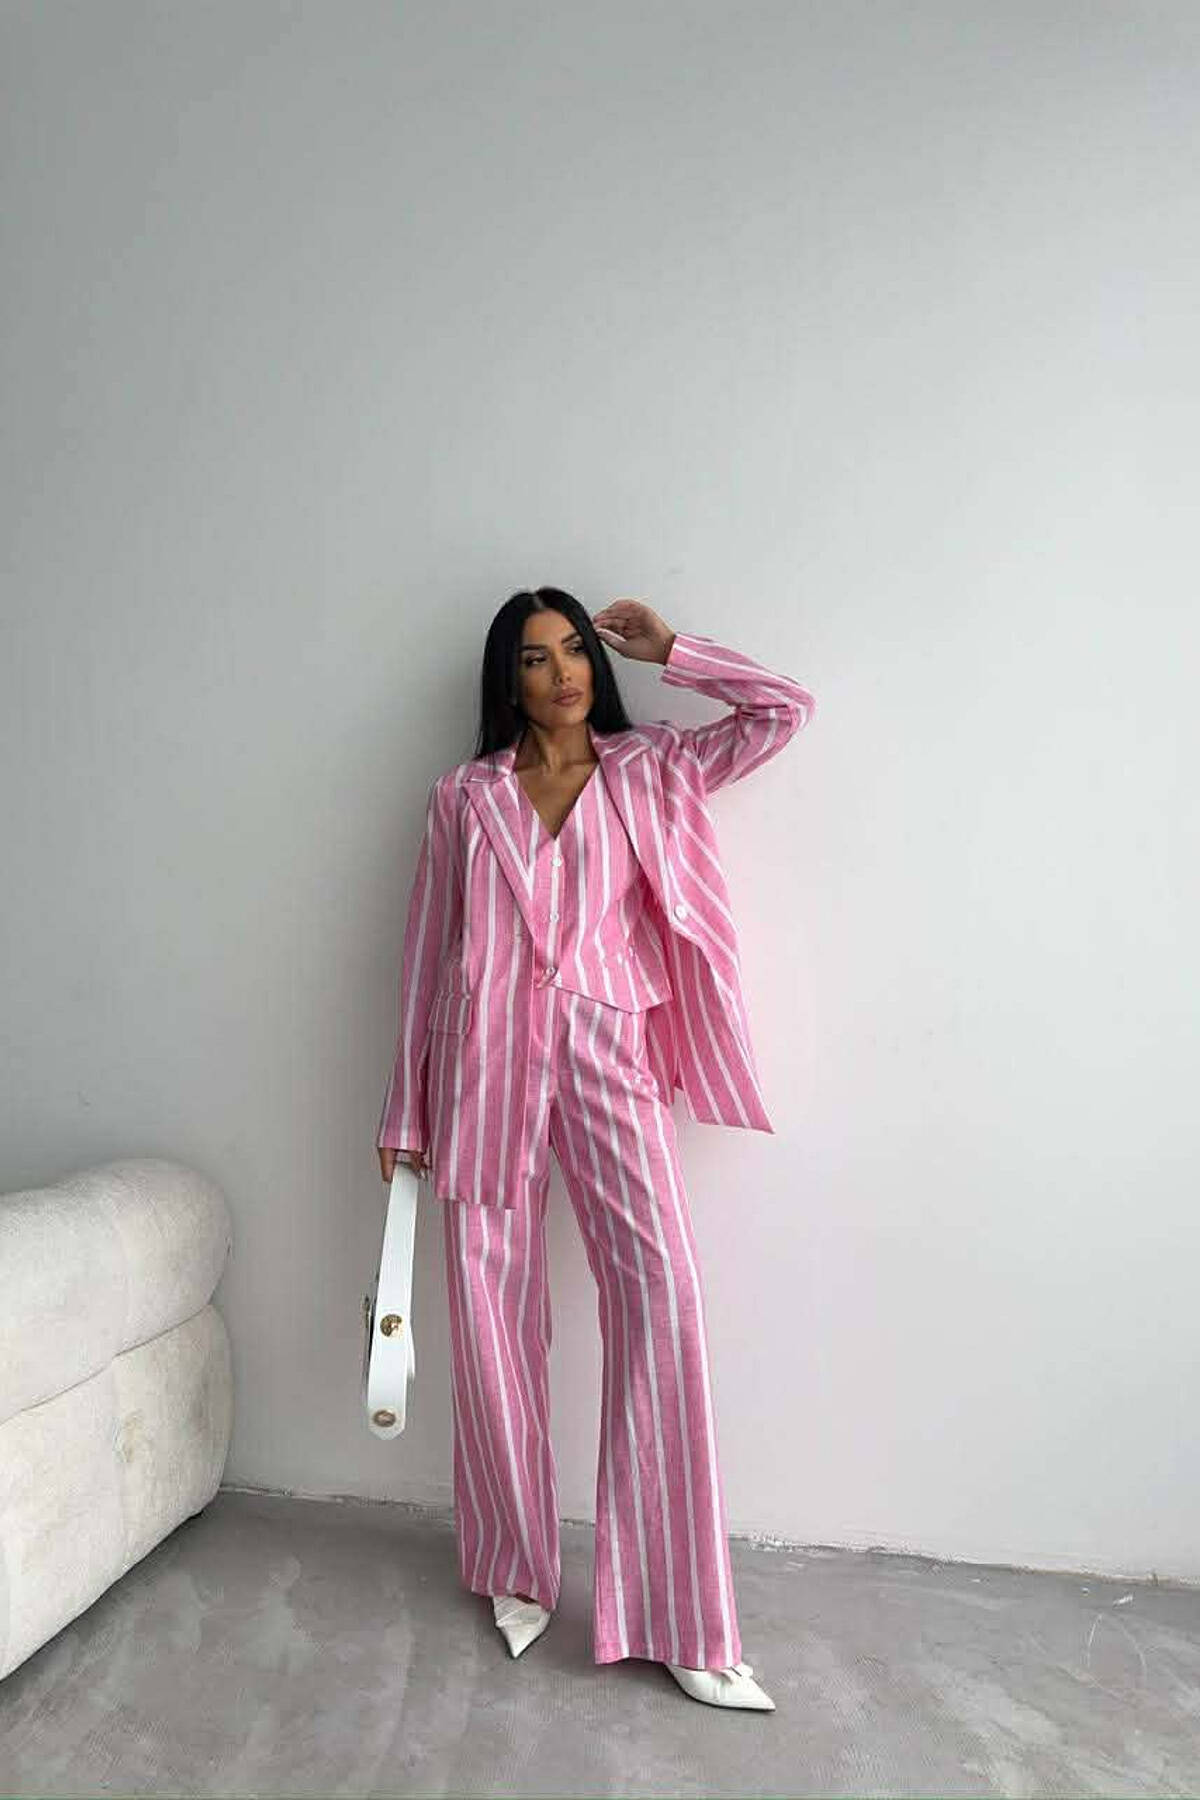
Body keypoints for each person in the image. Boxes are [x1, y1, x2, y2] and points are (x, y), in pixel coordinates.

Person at [376, 587, 815, 1711]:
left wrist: (676, 651)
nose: (564, 671)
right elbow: (428, 954)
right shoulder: (464, 797)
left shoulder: (652, 768)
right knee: (492, 1319)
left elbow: (782, 711)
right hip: (483, 1069)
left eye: (574, 649)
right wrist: (404, 1112)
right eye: (536, 658)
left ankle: (681, 1617)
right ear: (508, 679)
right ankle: (514, 1568)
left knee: (662, 1294)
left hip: (613, 1057)